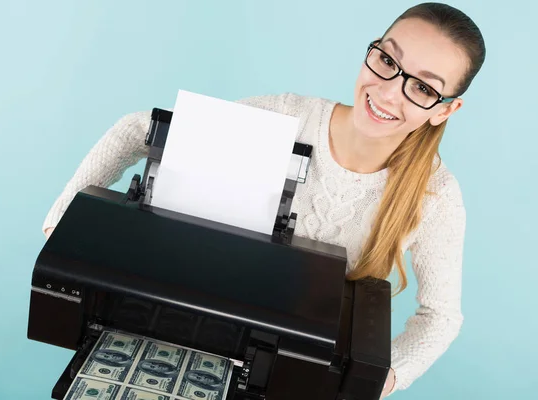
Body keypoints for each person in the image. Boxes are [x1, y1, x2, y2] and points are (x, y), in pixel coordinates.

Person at [41, 2, 485, 397]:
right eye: (387, 59)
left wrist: (377, 381)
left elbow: (441, 316)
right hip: (179, 319)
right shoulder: (287, 116)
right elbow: (135, 129)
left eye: (424, 88)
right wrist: (61, 224)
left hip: (294, 374)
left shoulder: (435, 196)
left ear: (446, 109)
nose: (389, 91)